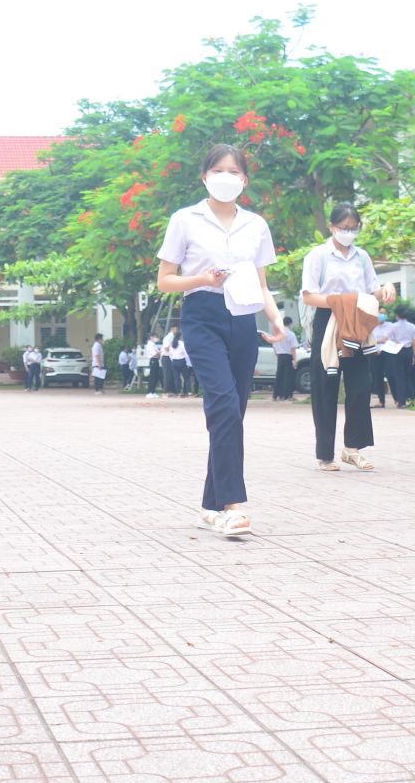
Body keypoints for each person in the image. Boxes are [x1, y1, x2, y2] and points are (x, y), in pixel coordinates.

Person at [156, 144, 289, 538]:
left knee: (234, 412)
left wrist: (277, 320)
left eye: (234, 171)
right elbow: (165, 280)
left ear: (244, 180)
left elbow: (261, 284)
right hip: (201, 314)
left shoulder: (256, 225)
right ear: (205, 176)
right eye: (218, 170)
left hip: (243, 316)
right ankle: (233, 507)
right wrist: (203, 278)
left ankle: (209, 507)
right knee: (224, 404)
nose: (226, 177)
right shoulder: (185, 219)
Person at [301, 202, 397, 473]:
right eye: (344, 228)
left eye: (354, 228)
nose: (349, 233)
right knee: (325, 386)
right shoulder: (318, 256)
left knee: (360, 385)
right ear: (332, 227)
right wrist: (340, 302)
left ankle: (352, 448)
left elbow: (371, 290)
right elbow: (308, 296)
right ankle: (325, 455)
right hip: (328, 319)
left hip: (357, 320)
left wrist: (386, 288)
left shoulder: (362, 257)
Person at [270, 321, 299, 401]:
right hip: (288, 356)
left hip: (280, 356)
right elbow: (293, 348)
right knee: (288, 377)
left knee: (279, 376)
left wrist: (278, 356)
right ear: (290, 324)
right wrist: (295, 360)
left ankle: (276, 395)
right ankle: (287, 396)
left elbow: (274, 347)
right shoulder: (291, 334)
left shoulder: (277, 334)